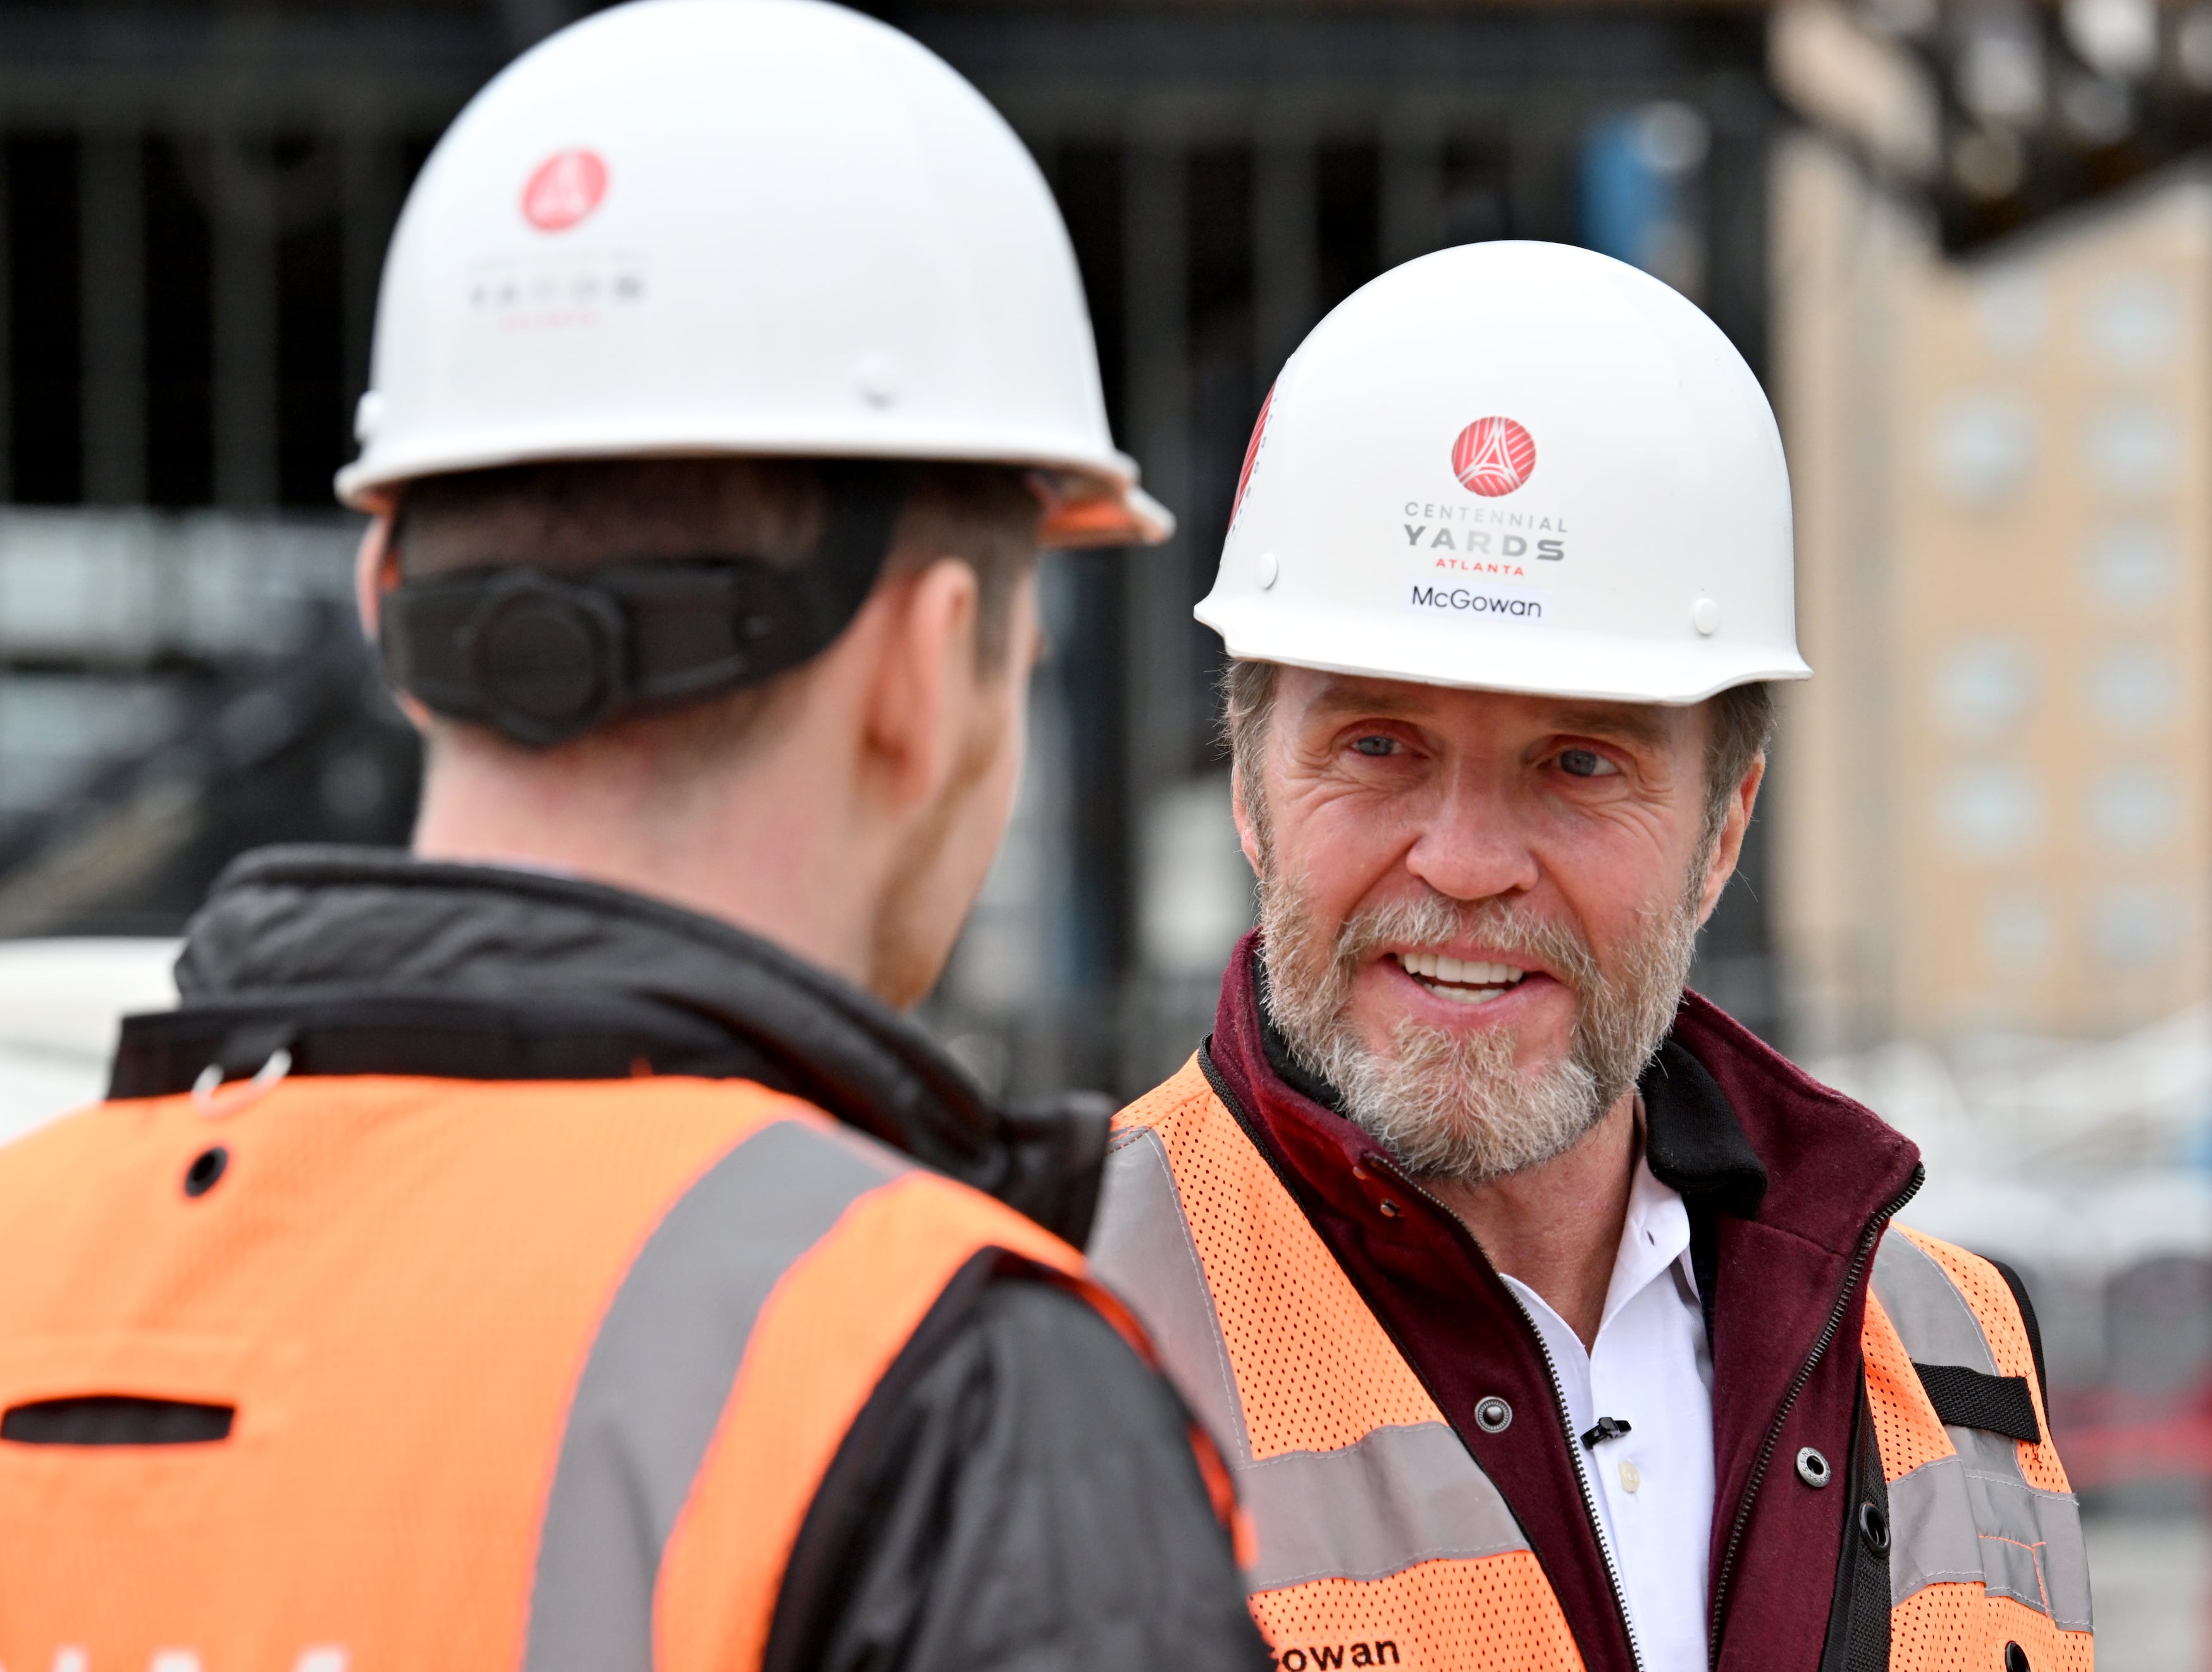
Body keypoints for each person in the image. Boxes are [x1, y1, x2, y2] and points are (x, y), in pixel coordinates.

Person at [0, 5, 1270, 1671]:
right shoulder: (940, 1385)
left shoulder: (32, 1247)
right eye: (1017, 657)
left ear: (390, 607)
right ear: (919, 658)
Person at [1089, 240, 2093, 1672]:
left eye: (1577, 761)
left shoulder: (1947, 1349)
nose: (1467, 861)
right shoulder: (1037, 1317)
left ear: (1725, 822)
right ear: (1250, 784)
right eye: (1379, 744)